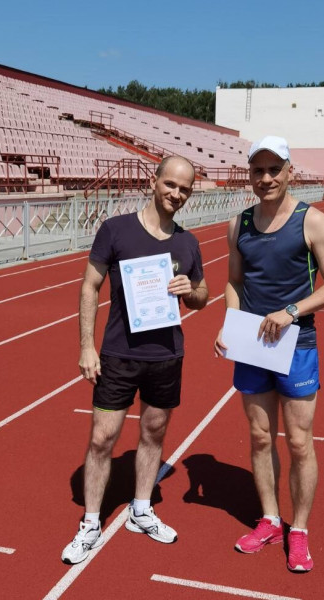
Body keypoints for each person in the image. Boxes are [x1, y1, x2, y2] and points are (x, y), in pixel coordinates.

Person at [62, 156, 208, 564]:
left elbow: (203, 295)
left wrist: (190, 291)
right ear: (153, 182)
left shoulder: (188, 243)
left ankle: (141, 509)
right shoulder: (116, 229)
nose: (176, 194)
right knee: (102, 438)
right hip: (119, 355)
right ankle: (91, 521)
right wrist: (86, 346)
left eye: (184, 189)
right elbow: (89, 286)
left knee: (154, 433)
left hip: (166, 356)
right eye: (170, 184)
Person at [214, 136, 324, 572]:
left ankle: (300, 530)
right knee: (259, 436)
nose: (266, 178)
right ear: (250, 175)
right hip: (252, 344)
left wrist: (292, 311)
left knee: (299, 441)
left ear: (290, 171)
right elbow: (235, 281)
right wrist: (230, 323)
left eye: (275, 169)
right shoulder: (238, 224)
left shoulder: (313, 221)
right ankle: (270, 520)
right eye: (258, 170)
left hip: (296, 344)